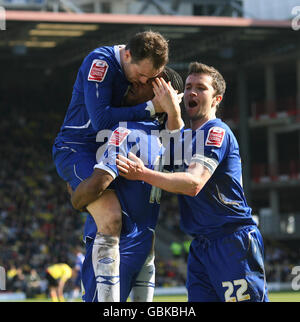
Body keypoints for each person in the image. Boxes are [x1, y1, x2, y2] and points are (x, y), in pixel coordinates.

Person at [117, 62, 269, 302]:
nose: (192, 92)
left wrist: (142, 173)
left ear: (217, 99)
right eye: (188, 87)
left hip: (231, 241)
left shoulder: (216, 132)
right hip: (200, 247)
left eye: (201, 88)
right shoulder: (189, 137)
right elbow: (172, 138)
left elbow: (194, 183)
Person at [52, 31, 169, 302]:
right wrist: (151, 108)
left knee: (131, 224)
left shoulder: (134, 69)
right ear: (127, 55)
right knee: (111, 216)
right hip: (77, 148)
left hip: (107, 149)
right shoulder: (100, 63)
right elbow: (102, 120)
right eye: (141, 75)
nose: (143, 82)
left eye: (150, 78)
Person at [68, 67, 184, 302]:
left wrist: (76, 198)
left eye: (146, 82)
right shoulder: (169, 142)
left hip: (114, 247)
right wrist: (173, 110)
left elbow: (100, 183)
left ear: (160, 94)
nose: (134, 82)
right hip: (144, 245)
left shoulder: (126, 131)